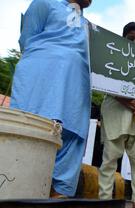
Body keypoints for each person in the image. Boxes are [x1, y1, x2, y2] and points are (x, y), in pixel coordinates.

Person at [10, 0, 93, 198]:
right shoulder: (44, 3)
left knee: (70, 139)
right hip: (40, 85)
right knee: (31, 134)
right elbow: (27, 40)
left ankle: (56, 207)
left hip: (76, 93)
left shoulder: (91, 27)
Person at [98, 22, 135, 208]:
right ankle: (104, 201)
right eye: (131, 39)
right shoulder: (110, 57)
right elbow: (101, 81)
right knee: (110, 160)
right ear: (123, 40)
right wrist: (123, 99)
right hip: (115, 114)